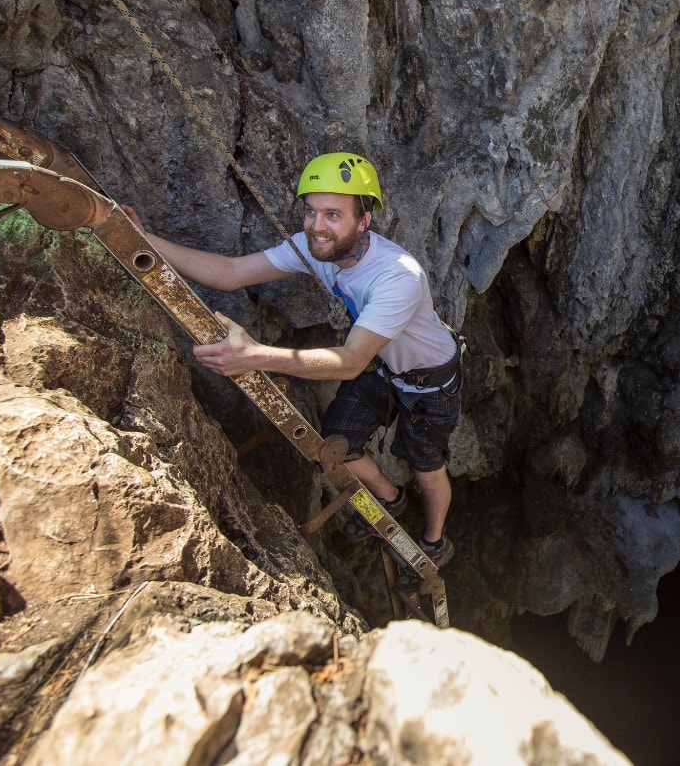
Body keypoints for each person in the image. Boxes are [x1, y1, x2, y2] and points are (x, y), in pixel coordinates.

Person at [124, 152, 461, 576]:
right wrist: (144, 240)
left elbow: (350, 362)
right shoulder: (312, 247)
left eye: (333, 214)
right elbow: (232, 272)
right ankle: (391, 499)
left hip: (428, 381)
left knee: (427, 465)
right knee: (338, 442)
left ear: (364, 220)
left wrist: (254, 356)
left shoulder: (398, 276)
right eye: (312, 211)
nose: (318, 225)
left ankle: (434, 541)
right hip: (380, 364)